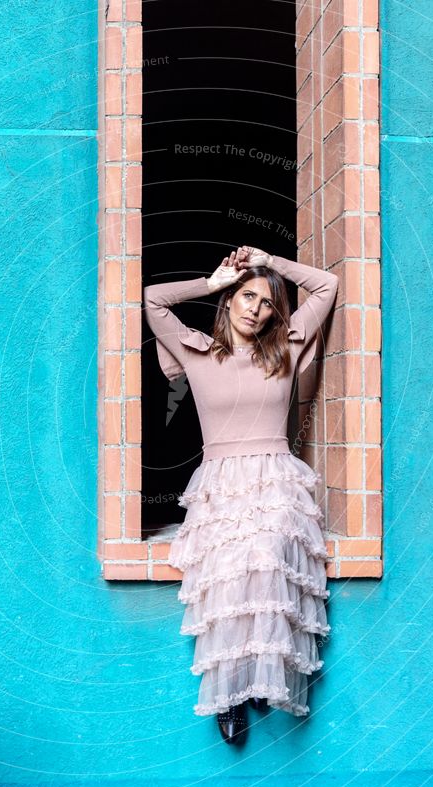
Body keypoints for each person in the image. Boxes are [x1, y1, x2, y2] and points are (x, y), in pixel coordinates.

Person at [143, 245, 338, 745]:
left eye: (267, 301)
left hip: (276, 481)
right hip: (221, 482)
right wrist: (210, 283)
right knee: (227, 581)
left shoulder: (287, 349)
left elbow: (325, 286)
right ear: (229, 300)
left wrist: (271, 263)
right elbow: (154, 299)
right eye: (246, 296)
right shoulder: (196, 349)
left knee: (270, 565)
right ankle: (229, 695)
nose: (255, 307)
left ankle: (266, 678)